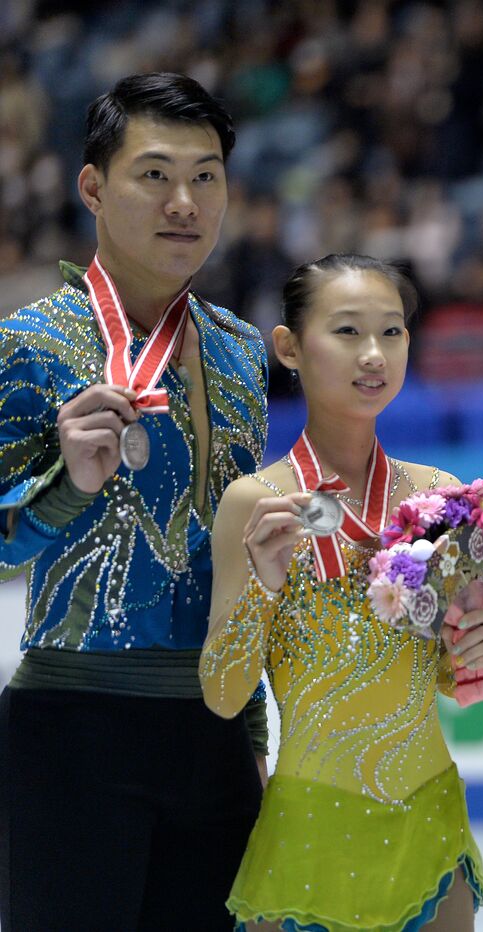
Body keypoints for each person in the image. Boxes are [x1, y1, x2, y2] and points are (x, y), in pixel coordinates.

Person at [0, 72, 270, 930]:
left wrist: (253, 737)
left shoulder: (241, 352)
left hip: (216, 733)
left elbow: (242, 572)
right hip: (72, 731)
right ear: (93, 187)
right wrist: (64, 488)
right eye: (154, 174)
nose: (184, 201)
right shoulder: (30, 344)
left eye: (206, 175)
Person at [199, 254, 483, 930]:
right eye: (346, 332)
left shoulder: (439, 496)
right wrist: (262, 586)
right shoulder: (257, 503)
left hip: (428, 826)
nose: (374, 355)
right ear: (289, 346)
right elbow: (224, 697)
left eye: (392, 333)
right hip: (309, 835)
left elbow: (458, 684)